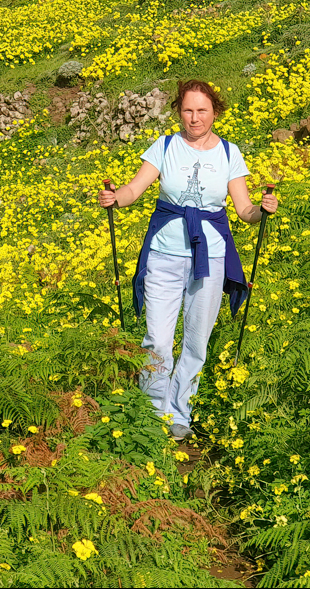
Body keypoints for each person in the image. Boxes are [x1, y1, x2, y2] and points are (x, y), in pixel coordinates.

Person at [96, 79, 278, 441]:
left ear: (215, 112)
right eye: (188, 110)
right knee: (157, 340)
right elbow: (134, 189)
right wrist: (116, 198)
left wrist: (264, 210)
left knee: (196, 342)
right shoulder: (165, 146)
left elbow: (244, 210)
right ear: (179, 112)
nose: (195, 118)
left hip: (209, 259)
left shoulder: (229, 153)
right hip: (163, 256)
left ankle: (180, 412)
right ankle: (152, 413)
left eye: (202, 110)